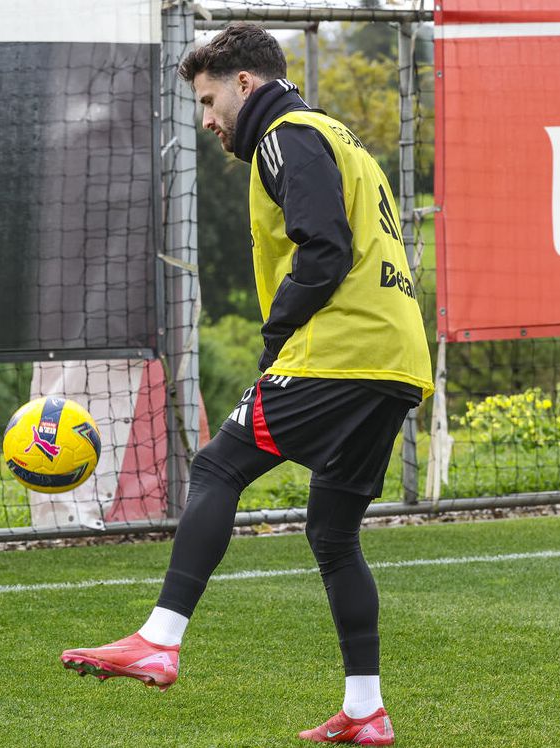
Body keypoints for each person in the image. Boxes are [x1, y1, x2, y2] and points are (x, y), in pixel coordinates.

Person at [60, 23, 432, 745]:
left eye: (207, 101)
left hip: (339, 352)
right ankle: (365, 709)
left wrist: (276, 332)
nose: (205, 121)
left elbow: (323, 253)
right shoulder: (336, 134)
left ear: (243, 85)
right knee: (330, 532)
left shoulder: (282, 135)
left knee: (216, 464)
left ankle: (160, 638)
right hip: (393, 361)